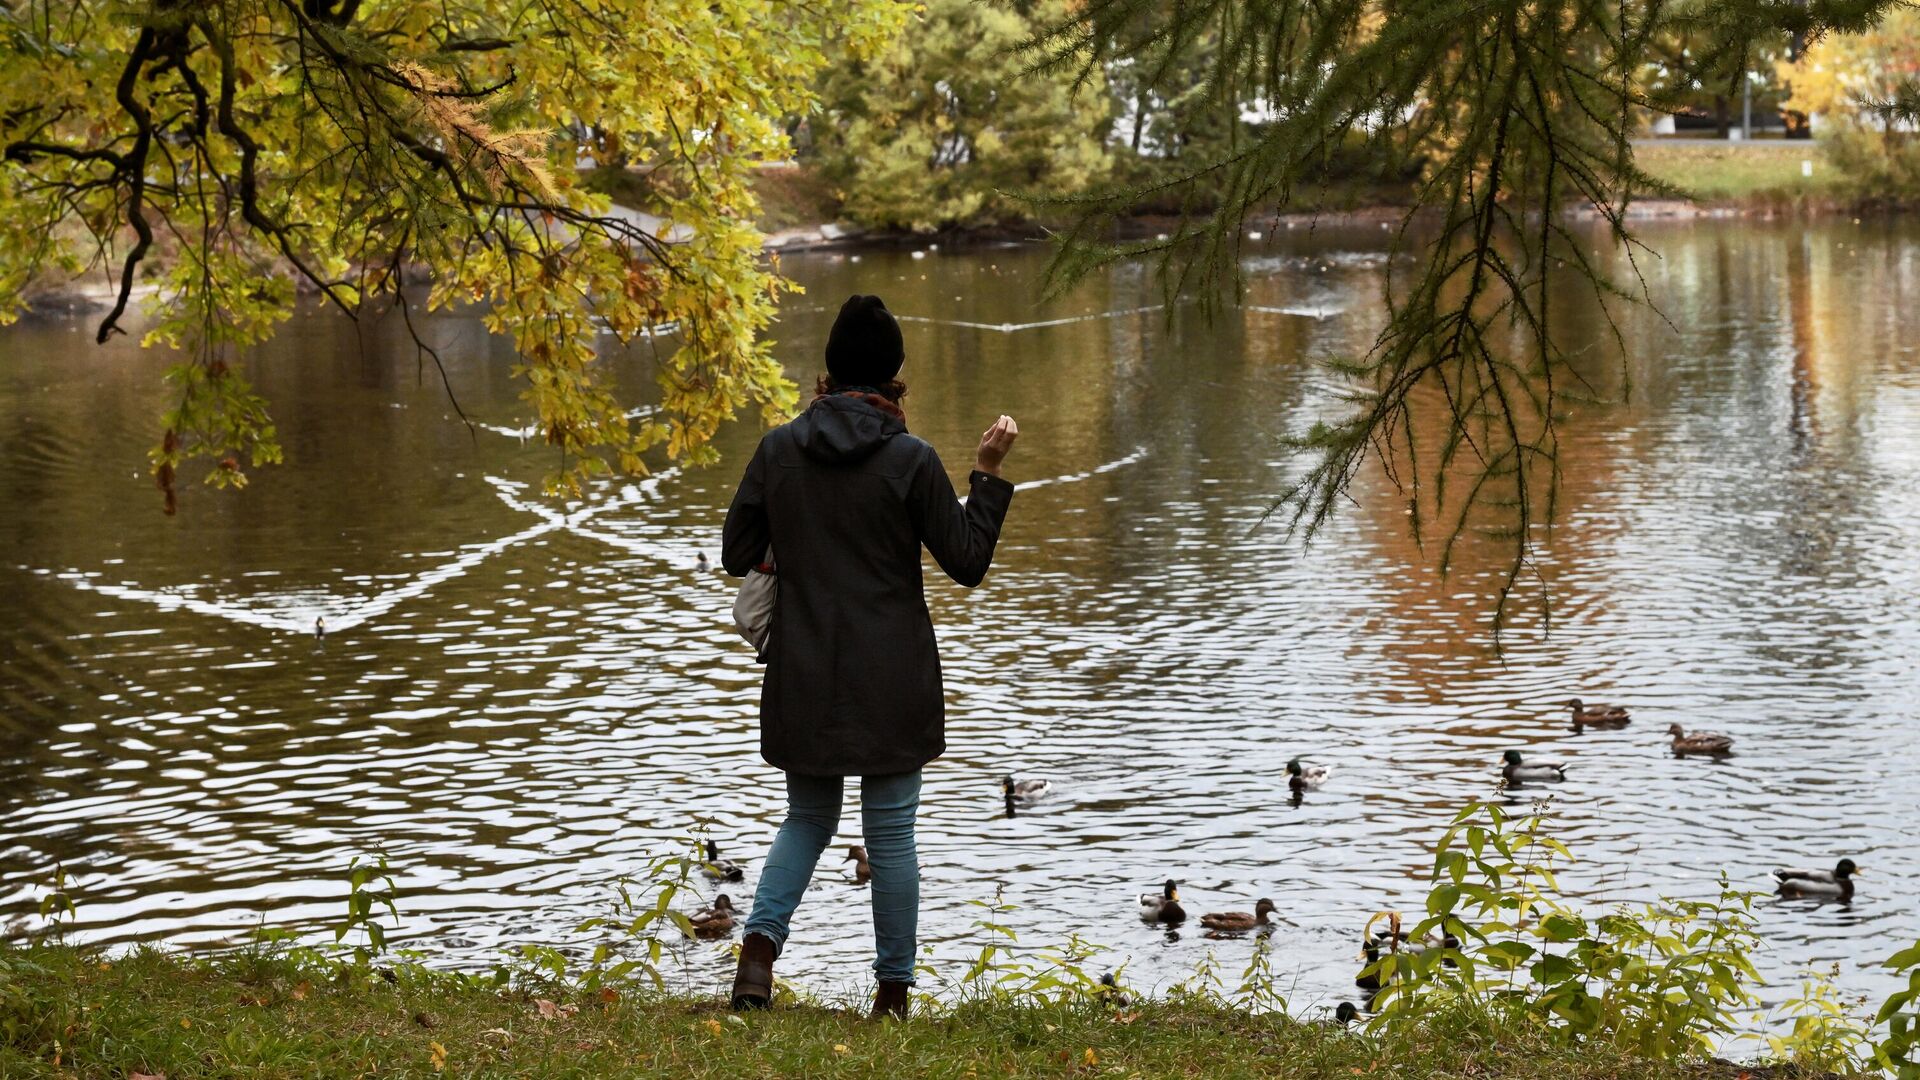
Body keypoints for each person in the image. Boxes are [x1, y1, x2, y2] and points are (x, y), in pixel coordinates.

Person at [720, 293, 1018, 1020]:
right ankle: (891, 995)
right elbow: (968, 561)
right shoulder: (910, 459)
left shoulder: (778, 448)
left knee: (807, 819)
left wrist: (795, 532)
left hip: (805, 669)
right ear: (893, 375)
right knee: (891, 838)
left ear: (829, 371)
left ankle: (757, 956)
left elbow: (736, 553)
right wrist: (985, 471)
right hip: (893, 676)